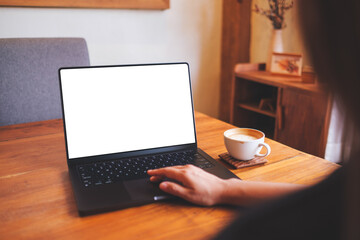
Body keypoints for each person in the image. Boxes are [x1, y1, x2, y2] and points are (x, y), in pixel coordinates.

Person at [148, 0, 360, 239]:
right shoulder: (343, 195)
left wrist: (225, 188)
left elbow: (320, 201)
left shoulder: (256, 229)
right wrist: (225, 188)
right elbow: (320, 197)